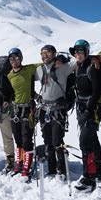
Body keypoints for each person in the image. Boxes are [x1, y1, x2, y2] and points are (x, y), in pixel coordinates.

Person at [35, 44, 77, 179]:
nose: (44, 56)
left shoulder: (63, 68)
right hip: (44, 109)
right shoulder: (39, 69)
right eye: (42, 54)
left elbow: (78, 60)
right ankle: (52, 169)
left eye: (47, 53)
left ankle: (62, 170)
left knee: (57, 140)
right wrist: (36, 96)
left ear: (54, 54)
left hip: (58, 109)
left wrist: (62, 59)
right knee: (47, 140)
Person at [70, 40, 101, 191]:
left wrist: (87, 111)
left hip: (92, 109)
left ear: (87, 52)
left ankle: (89, 176)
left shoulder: (92, 67)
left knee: (85, 141)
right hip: (82, 107)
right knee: (92, 140)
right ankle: (99, 172)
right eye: (76, 51)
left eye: (81, 51)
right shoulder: (77, 67)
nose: (78, 53)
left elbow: (96, 92)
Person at [6, 47, 41, 179]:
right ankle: (19, 163)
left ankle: (27, 165)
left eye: (16, 57)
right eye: (11, 59)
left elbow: (45, 64)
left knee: (27, 139)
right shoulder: (9, 76)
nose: (14, 61)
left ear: (21, 58)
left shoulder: (29, 69)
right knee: (18, 139)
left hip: (28, 109)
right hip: (14, 110)